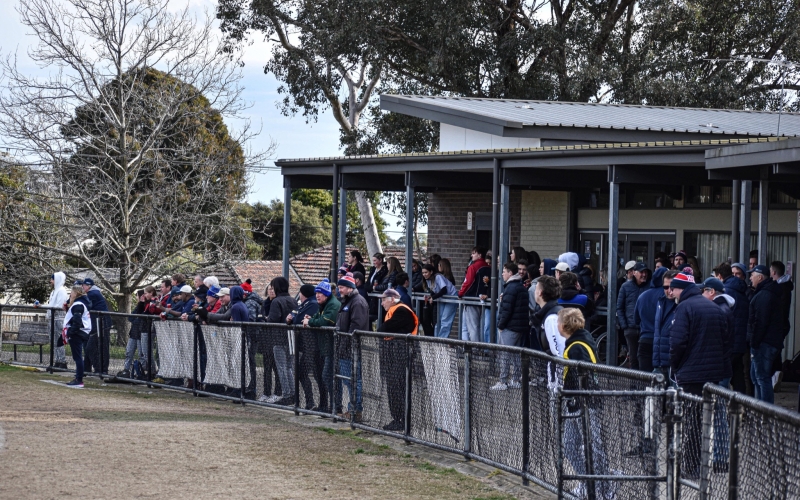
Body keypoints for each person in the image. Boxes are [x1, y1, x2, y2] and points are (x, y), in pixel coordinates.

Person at [558, 308, 613, 500]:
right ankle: (587, 481)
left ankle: (604, 486)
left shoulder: (577, 346)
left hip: (585, 403)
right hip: (575, 402)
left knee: (592, 445)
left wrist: (579, 398)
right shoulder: (576, 341)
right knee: (570, 444)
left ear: (564, 326)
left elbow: (585, 375)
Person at [669, 273, 728, 394]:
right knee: (708, 411)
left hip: (691, 374)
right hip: (713, 373)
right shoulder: (715, 307)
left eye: (673, 289)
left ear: (681, 289)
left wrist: (675, 366)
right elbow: (725, 341)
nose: (671, 293)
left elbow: (678, 342)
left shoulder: (684, 307)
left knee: (691, 411)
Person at [378, 288, 418, 431]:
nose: (382, 303)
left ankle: (401, 419)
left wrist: (382, 330)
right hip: (394, 352)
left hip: (400, 353)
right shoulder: (395, 310)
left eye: (384, 300)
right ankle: (398, 418)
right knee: (393, 387)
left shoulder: (401, 310)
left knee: (397, 387)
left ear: (392, 299)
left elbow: (385, 329)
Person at [334, 272, 369, 421]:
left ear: (349, 287)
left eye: (342, 287)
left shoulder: (357, 302)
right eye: (339, 287)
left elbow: (357, 324)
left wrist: (347, 340)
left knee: (353, 380)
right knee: (348, 380)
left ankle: (355, 410)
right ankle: (352, 408)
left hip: (352, 347)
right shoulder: (347, 301)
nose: (339, 290)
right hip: (345, 347)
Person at [302, 279, 341, 412]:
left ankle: (336, 405)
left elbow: (326, 321)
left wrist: (310, 321)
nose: (317, 295)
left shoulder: (333, 304)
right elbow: (318, 318)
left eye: (320, 293)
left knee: (328, 376)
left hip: (332, 346)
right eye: (316, 293)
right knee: (326, 376)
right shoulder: (323, 304)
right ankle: (332, 405)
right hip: (325, 345)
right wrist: (311, 319)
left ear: (326, 294)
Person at [747, 264, 783, 403]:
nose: (750, 278)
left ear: (760, 277)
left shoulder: (764, 295)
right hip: (767, 341)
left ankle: (765, 412)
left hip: (764, 343)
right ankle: (760, 408)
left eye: (752, 275)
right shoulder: (767, 292)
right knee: (756, 376)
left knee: (761, 378)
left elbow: (760, 321)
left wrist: (754, 342)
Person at [490, 262, 529, 391]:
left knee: (505, 354)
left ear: (510, 273)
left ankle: (503, 381)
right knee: (516, 354)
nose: (502, 273)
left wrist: (500, 325)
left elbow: (506, 309)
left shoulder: (510, 288)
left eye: (504, 271)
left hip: (510, 326)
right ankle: (516, 379)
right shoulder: (521, 287)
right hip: (520, 326)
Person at [715, 262, 751, 395]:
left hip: (729, 342)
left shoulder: (726, 291)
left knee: (724, 379)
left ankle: (723, 411)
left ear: (720, 276)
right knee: (738, 376)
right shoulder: (741, 290)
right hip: (740, 342)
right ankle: (741, 408)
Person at [288, 284, 321, 410]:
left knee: (315, 375)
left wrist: (294, 318)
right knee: (301, 373)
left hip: (312, 346)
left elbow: (298, 319)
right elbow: (293, 314)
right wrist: (290, 318)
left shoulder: (312, 303)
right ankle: (310, 402)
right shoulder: (303, 304)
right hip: (305, 345)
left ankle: (317, 403)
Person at [263, 277, 296, 403]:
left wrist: (266, 320)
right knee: (289, 367)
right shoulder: (293, 300)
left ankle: (287, 394)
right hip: (290, 338)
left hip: (279, 338)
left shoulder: (276, 302)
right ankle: (292, 393)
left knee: (282, 368)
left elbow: (273, 320)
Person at [117, 285, 159, 379]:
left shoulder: (151, 302)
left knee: (144, 353)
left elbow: (143, 316)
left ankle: (150, 371)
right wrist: (141, 303)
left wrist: (139, 317)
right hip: (135, 332)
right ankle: (126, 369)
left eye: (146, 293)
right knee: (129, 352)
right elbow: (131, 317)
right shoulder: (142, 304)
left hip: (144, 331)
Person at [634, 267, 669, 373]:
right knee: (662, 380)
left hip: (644, 340)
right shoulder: (667, 296)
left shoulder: (642, 296)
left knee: (645, 378)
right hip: (662, 343)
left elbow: (636, 320)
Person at [701, 277, 734, 385]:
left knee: (720, 399)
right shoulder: (722, 308)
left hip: (718, 367)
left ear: (712, 292)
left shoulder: (718, 310)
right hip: (720, 366)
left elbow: (717, 341)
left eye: (703, 291)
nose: (701, 295)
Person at [617, 262, 650, 370]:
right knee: (633, 357)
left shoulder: (650, 286)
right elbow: (619, 307)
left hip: (645, 328)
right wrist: (624, 326)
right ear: (634, 273)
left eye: (645, 272)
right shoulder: (626, 286)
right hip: (630, 328)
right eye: (641, 272)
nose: (644, 275)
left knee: (644, 357)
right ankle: (634, 385)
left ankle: (644, 383)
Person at [61, 285, 92, 388]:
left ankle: (79, 379)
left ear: (76, 293)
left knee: (78, 357)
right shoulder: (80, 303)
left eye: (72, 293)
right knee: (77, 356)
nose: (70, 295)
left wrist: (70, 332)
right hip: (80, 332)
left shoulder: (78, 304)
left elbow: (77, 321)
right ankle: (78, 378)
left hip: (77, 333)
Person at [458, 246, 489, 342]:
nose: (471, 255)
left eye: (473, 253)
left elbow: (468, 282)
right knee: (481, 327)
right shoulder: (489, 267)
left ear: (479, 255)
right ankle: (480, 348)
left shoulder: (473, 267)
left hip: (472, 300)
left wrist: (460, 293)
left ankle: (475, 350)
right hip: (485, 300)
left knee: (472, 327)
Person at [770, 261, 793, 389]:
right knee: (776, 349)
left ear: (773, 272)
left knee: (774, 350)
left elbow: (781, 309)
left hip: (779, 324)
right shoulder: (785, 287)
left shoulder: (779, 288)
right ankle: (776, 374)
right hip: (783, 324)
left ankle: (775, 374)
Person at [81, 277, 110, 375]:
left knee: (101, 347)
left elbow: (84, 305)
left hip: (102, 323)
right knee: (92, 347)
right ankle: (98, 368)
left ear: (88, 286)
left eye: (84, 285)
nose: (82, 287)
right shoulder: (91, 293)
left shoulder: (93, 293)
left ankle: (102, 369)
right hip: (96, 323)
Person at [653, 271, 678, 380]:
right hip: (659, 362)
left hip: (674, 364)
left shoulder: (683, 304)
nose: (669, 291)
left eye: (672, 287)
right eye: (665, 287)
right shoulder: (661, 302)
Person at [43, 272, 69, 369]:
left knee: (58, 340)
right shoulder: (54, 291)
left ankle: (62, 361)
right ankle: (57, 360)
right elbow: (51, 305)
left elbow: (59, 306)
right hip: (52, 318)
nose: (51, 281)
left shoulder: (61, 291)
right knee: (53, 341)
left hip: (58, 319)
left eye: (52, 279)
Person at [532, 275, 563, 355]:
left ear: (540, 292)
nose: (534, 292)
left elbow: (558, 351)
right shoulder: (550, 312)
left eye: (536, 289)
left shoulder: (551, 318)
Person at [431, 259, 458, 338]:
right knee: (440, 320)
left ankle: (441, 339)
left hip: (449, 297)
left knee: (445, 320)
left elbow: (443, 289)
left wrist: (433, 297)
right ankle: (438, 338)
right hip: (443, 298)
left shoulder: (442, 277)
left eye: (439, 265)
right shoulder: (438, 276)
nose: (438, 266)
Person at [366, 253, 388, 326]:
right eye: (373, 260)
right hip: (371, 298)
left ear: (380, 260)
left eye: (375, 260)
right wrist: (371, 287)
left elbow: (381, 284)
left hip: (379, 298)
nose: (374, 262)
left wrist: (373, 287)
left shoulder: (385, 270)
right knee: (368, 318)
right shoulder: (373, 269)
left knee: (380, 318)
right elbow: (367, 284)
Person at [415, 264, 437, 336]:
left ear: (431, 272)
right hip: (427, 305)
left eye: (426, 272)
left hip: (435, 304)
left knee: (434, 323)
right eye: (423, 273)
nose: (424, 274)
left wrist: (432, 296)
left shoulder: (436, 279)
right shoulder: (424, 281)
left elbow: (440, 290)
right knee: (425, 322)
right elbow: (416, 287)